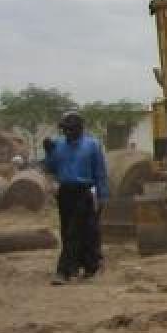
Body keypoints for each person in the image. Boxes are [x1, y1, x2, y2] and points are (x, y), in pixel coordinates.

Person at [40, 110, 109, 284]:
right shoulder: (58, 145)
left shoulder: (92, 145)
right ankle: (90, 265)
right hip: (64, 193)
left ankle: (63, 272)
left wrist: (102, 195)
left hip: (84, 192)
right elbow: (50, 168)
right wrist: (48, 153)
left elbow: (100, 172)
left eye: (70, 129)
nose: (66, 132)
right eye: (64, 129)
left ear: (79, 128)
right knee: (71, 231)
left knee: (74, 231)